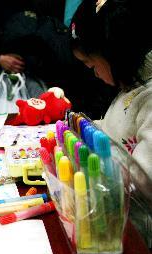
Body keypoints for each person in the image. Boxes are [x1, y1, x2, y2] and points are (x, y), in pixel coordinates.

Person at [71, 0, 152, 179]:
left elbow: (143, 181)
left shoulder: (148, 100)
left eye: (92, 66)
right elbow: (113, 130)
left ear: (115, 54)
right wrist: (83, 128)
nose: (96, 74)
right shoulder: (130, 89)